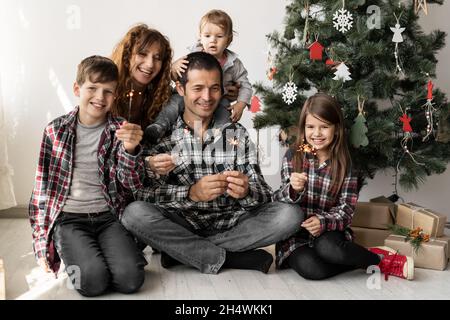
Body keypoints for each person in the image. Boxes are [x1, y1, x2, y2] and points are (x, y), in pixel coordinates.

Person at [121, 52, 301, 274]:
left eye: (214, 88)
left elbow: (264, 194)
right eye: (197, 88)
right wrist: (191, 193)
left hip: (232, 223)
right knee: (134, 213)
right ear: (180, 89)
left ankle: (184, 252)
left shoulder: (237, 134)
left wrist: (246, 191)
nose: (207, 97)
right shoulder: (161, 136)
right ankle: (228, 257)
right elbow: (144, 193)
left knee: (289, 215)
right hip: (182, 222)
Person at [28, 56, 147, 297]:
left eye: (108, 91)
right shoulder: (55, 130)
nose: (100, 97)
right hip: (69, 219)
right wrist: (41, 246)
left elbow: (133, 184)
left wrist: (131, 151)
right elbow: (42, 190)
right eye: (92, 88)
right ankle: (75, 253)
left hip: (108, 217)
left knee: (130, 281)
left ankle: (103, 256)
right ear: (77, 88)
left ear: (115, 96)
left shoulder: (121, 130)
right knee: (91, 283)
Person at [273, 93, 414, 280]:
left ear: (337, 129)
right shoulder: (293, 156)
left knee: (329, 249)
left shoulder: (345, 164)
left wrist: (322, 222)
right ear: (303, 127)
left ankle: (377, 259)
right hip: (296, 237)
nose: (316, 133)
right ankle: (356, 260)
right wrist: (293, 189)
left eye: (324, 127)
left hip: (329, 233)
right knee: (311, 269)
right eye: (310, 127)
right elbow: (278, 202)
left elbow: (346, 211)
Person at [144, 9, 252, 144]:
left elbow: (246, 86)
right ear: (200, 37)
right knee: (174, 103)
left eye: (219, 36)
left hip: (220, 99)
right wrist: (173, 68)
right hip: (188, 97)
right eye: (207, 36)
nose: (213, 41)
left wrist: (240, 105)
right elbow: (177, 78)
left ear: (229, 39)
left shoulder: (234, 63)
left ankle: (218, 136)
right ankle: (158, 126)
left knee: (224, 113)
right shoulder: (192, 55)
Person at [111, 24, 176, 177]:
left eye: (157, 58)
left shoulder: (161, 96)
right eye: (142, 54)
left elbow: (195, 95)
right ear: (127, 56)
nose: (150, 64)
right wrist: (146, 163)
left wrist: (225, 90)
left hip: (139, 178)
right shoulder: (107, 91)